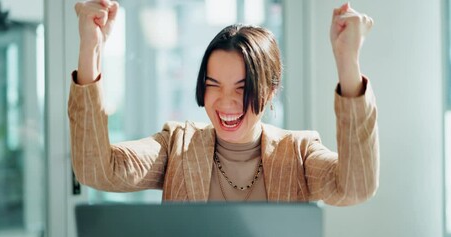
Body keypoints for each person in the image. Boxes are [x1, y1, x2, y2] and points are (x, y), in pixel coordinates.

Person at [69, 0, 379, 205]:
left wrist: (347, 61)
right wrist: (91, 48)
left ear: (269, 92)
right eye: (213, 85)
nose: (226, 102)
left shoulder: (298, 152)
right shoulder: (176, 145)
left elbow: (356, 185)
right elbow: (98, 170)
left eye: (242, 89)